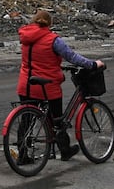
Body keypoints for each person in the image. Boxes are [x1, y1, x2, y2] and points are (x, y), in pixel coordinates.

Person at [16, 9, 104, 161]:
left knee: (26, 120)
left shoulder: (25, 38)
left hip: (26, 84)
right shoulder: (52, 39)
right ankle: (65, 150)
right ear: (49, 23)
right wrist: (93, 64)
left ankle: (22, 155)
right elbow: (73, 57)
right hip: (47, 87)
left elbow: (37, 60)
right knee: (57, 120)